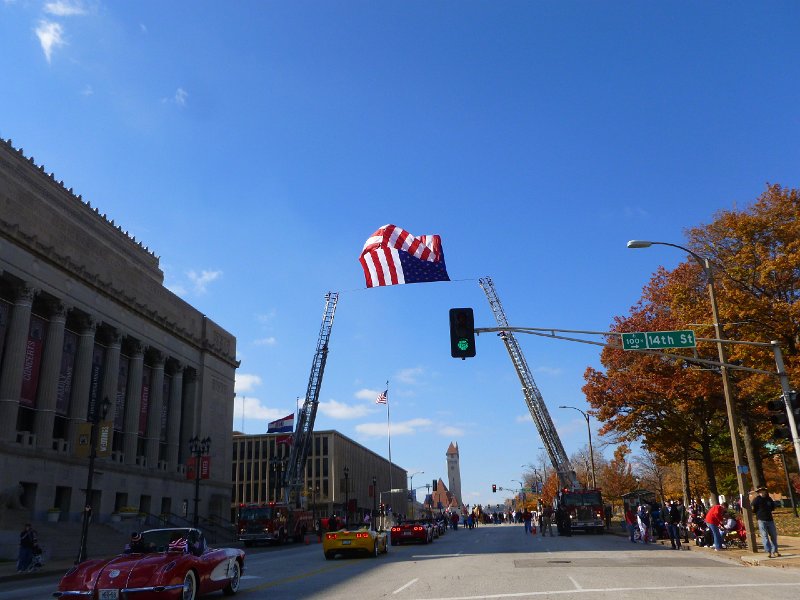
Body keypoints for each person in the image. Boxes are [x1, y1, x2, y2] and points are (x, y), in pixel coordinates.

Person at [751, 485, 779, 558]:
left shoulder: (769, 499)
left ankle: (775, 551)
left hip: (770, 519)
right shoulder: (756, 500)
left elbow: (773, 507)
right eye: (761, 492)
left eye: (764, 491)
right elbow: (753, 508)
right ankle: (768, 551)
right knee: (765, 536)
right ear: (759, 492)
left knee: (773, 536)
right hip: (761, 520)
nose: (763, 493)